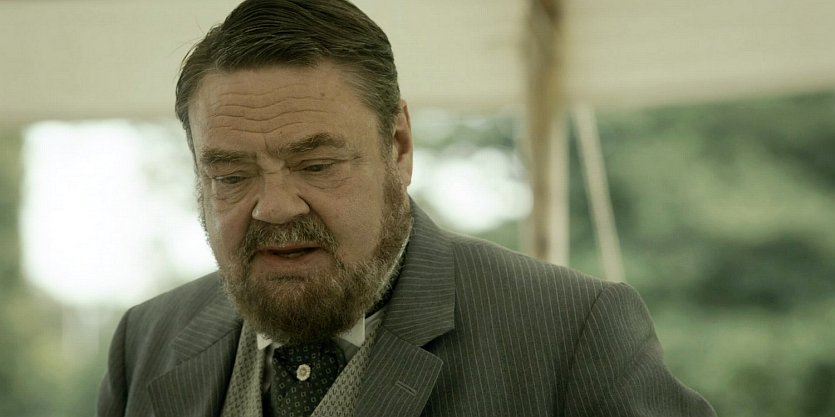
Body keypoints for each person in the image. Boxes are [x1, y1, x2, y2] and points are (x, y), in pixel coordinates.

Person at [97, 0, 716, 416]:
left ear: (398, 146)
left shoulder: (573, 333)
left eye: (317, 165)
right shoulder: (146, 343)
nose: (275, 208)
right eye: (231, 175)